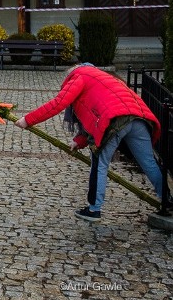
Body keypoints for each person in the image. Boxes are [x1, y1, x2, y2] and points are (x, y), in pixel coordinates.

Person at [14, 63, 164, 222]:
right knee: (149, 163)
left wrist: (28, 120)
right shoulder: (105, 78)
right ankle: (167, 200)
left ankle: (94, 209)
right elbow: (95, 109)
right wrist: (79, 141)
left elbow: (58, 103)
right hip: (139, 118)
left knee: (99, 164)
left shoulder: (79, 76)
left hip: (115, 121)